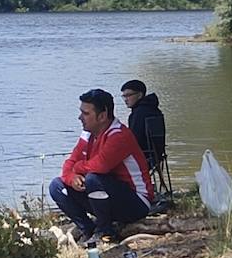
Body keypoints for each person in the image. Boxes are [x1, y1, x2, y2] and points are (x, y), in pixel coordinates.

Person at [49, 88, 155, 245]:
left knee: (93, 179)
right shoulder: (88, 133)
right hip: (109, 195)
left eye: (85, 113)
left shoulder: (119, 135)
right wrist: (72, 178)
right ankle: (88, 229)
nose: (80, 117)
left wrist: (77, 168)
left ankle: (105, 231)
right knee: (56, 186)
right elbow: (69, 163)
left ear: (102, 116)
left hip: (137, 201)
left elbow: (100, 165)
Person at [120, 79, 166, 169]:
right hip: (155, 157)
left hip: (142, 158)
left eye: (128, 95)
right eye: (124, 96)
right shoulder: (153, 109)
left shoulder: (139, 113)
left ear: (140, 95)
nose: (125, 99)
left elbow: (134, 140)